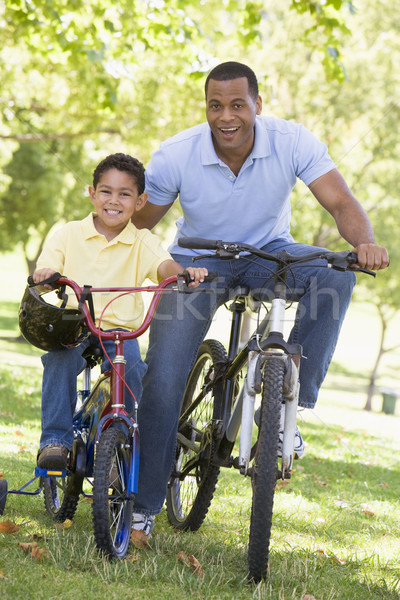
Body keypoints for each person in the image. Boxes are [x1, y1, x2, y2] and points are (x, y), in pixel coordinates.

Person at [131, 61, 389, 536]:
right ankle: (144, 509)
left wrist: (363, 243)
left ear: (257, 105)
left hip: (269, 254)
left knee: (335, 275)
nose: (225, 116)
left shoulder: (291, 141)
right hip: (198, 260)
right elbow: (138, 222)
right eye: (215, 105)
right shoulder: (176, 154)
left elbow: (340, 202)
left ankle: (290, 403)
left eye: (237, 104)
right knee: (164, 381)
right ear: (205, 107)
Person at [33, 153, 208, 470]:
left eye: (124, 194)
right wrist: (46, 274)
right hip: (75, 325)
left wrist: (182, 273)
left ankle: (118, 442)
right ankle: (54, 441)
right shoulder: (69, 233)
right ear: (92, 193)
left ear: (140, 201)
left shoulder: (142, 240)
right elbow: (50, 266)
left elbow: (162, 265)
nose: (114, 201)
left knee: (132, 368)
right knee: (59, 360)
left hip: (120, 332)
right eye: (106, 192)